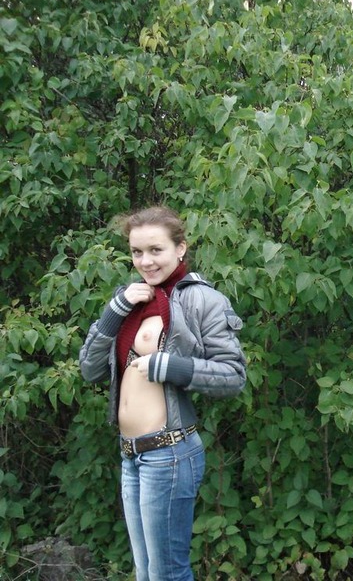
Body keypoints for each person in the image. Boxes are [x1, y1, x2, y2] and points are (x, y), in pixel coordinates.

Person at [80, 206, 247, 581]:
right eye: (137, 252)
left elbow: (233, 375)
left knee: (167, 573)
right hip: (130, 455)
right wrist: (113, 312)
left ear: (180, 248)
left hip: (170, 454)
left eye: (156, 250)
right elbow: (90, 370)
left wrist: (171, 367)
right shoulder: (130, 299)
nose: (146, 261)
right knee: (146, 572)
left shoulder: (202, 300)